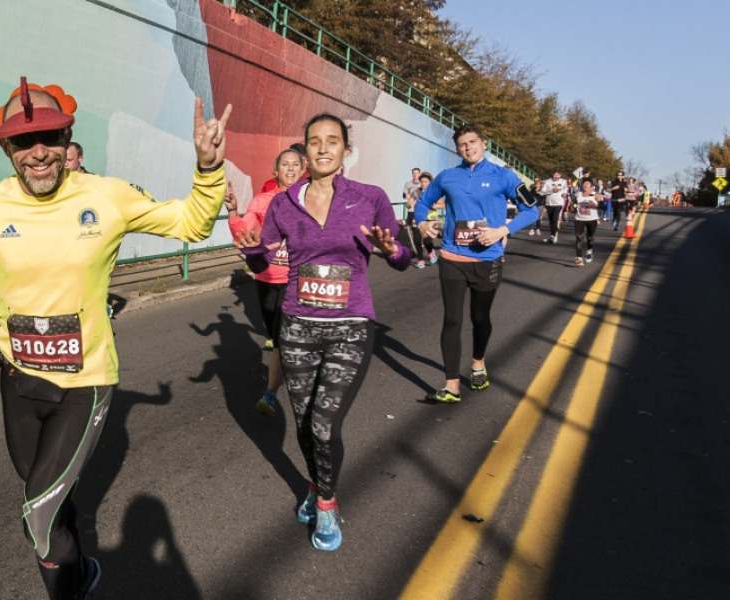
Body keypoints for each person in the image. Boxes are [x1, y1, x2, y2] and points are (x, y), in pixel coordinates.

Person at [0, 78, 231, 600]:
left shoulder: (108, 196)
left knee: (39, 510)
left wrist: (208, 169)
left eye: (49, 137)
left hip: (86, 381)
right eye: (22, 142)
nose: (38, 153)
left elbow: (192, 222)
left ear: (67, 136)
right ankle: (81, 576)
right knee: (51, 500)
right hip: (19, 379)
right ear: (5, 148)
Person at [234, 113, 410, 551]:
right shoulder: (283, 203)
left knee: (325, 424)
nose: (324, 148)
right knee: (303, 422)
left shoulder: (370, 198)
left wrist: (393, 250)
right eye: (315, 141)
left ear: (345, 149)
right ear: (305, 149)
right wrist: (253, 248)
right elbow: (261, 263)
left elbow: (403, 257)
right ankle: (316, 484)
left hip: (350, 326)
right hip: (297, 326)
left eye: (333, 141)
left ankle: (327, 504)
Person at [416, 124, 540, 404]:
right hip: (452, 257)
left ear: (484, 144)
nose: (468, 147)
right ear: (457, 149)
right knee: (452, 319)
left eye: (473, 142)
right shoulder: (448, 177)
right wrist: (423, 223)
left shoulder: (503, 176)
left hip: (487, 259)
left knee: (479, 318)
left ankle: (478, 363)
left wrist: (501, 231)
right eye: (462, 144)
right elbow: (422, 203)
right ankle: (451, 386)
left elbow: (531, 209)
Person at [226, 147, 303, 415]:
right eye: (285, 165)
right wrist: (234, 212)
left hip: (298, 279)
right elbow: (245, 232)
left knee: (284, 338)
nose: (291, 169)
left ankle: (271, 392)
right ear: (275, 171)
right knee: (275, 332)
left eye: (295, 164)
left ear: (302, 169)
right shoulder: (262, 200)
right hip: (268, 277)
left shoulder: (310, 199)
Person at [572, 180, 602, 266]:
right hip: (579, 219)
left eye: (587, 186)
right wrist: (572, 205)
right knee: (579, 238)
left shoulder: (595, 195)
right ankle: (579, 258)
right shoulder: (578, 195)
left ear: (591, 187)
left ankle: (589, 250)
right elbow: (572, 205)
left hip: (592, 219)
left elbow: (602, 206)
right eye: (584, 186)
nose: (585, 188)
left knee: (590, 237)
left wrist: (594, 204)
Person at [538, 171, 570, 244]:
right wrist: (551, 190)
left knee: (555, 219)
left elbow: (565, 189)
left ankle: (554, 235)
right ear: (552, 175)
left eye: (558, 175)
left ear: (560, 175)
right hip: (549, 203)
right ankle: (553, 235)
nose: (556, 176)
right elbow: (542, 192)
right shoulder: (548, 181)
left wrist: (563, 193)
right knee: (551, 220)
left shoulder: (564, 181)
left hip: (558, 203)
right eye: (555, 175)